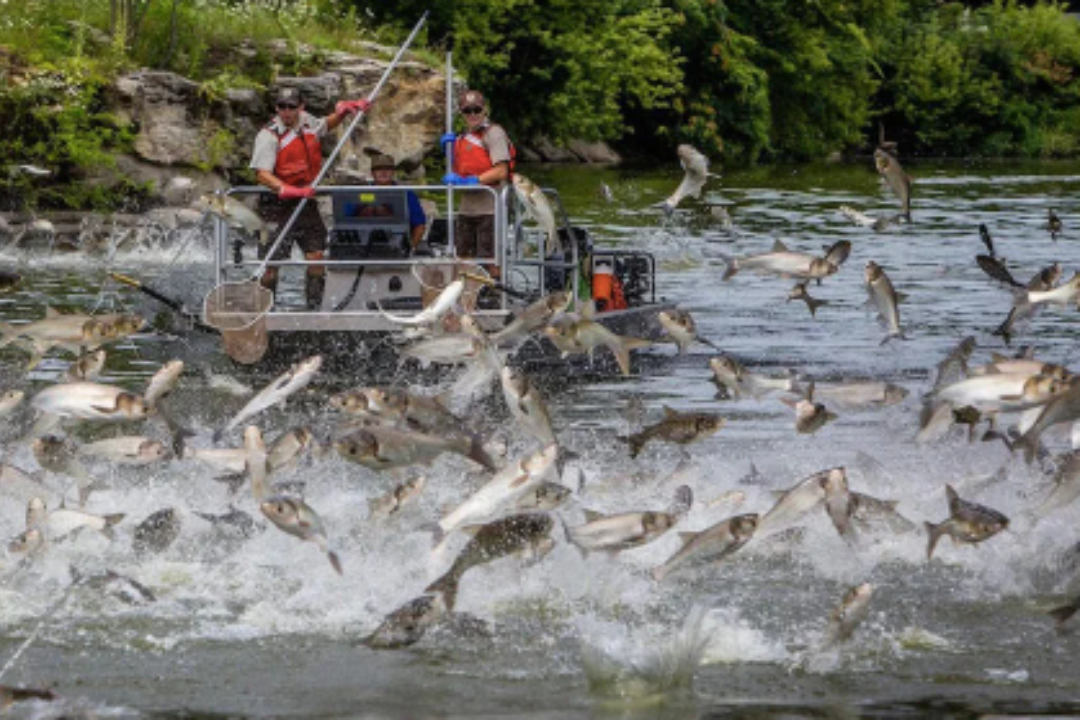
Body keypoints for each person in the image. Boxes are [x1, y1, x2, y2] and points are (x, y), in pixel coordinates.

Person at [249, 86, 371, 308]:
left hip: (305, 201)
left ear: (301, 107)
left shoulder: (307, 122)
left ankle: (313, 310)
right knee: (271, 264)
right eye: (281, 107)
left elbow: (325, 125)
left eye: (291, 107)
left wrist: (343, 113)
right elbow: (262, 174)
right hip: (276, 204)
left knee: (316, 256)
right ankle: (265, 311)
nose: (286, 112)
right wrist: (285, 188)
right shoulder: (268, 135)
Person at [440, 89, 513, 279]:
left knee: (490, 259)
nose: (472, 115)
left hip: (490, 207)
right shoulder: (460, 138)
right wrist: (448, 153)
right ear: (462, 113)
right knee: (463, 258)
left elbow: (501, 170)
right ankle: (467, 298)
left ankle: (494, 298)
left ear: (484, 110)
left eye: (476, 110)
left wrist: (474, 180)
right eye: (467, 111)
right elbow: (460, 167)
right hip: (467, 208)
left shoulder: (493, 133)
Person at [369, 153, 427, 252]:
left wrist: (411, 249)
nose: (383, 172)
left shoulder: (406, 194)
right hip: (365, 244)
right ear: (372, 173)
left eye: (388, 169)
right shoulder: (359, 193)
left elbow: (420, 225)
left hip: (398, 246)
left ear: (393, 172)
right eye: (379, 169)